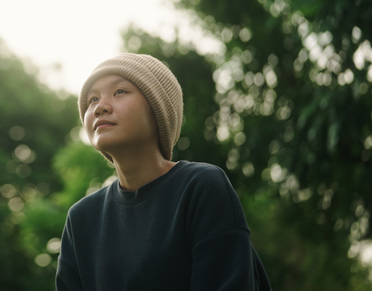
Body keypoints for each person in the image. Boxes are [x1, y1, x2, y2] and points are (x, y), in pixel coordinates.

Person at [55, 53, 270, 290]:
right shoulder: (81, 219)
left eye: (120, 92)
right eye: (92, 99)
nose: (99, 107)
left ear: (158, 109)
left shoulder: (200, 187)